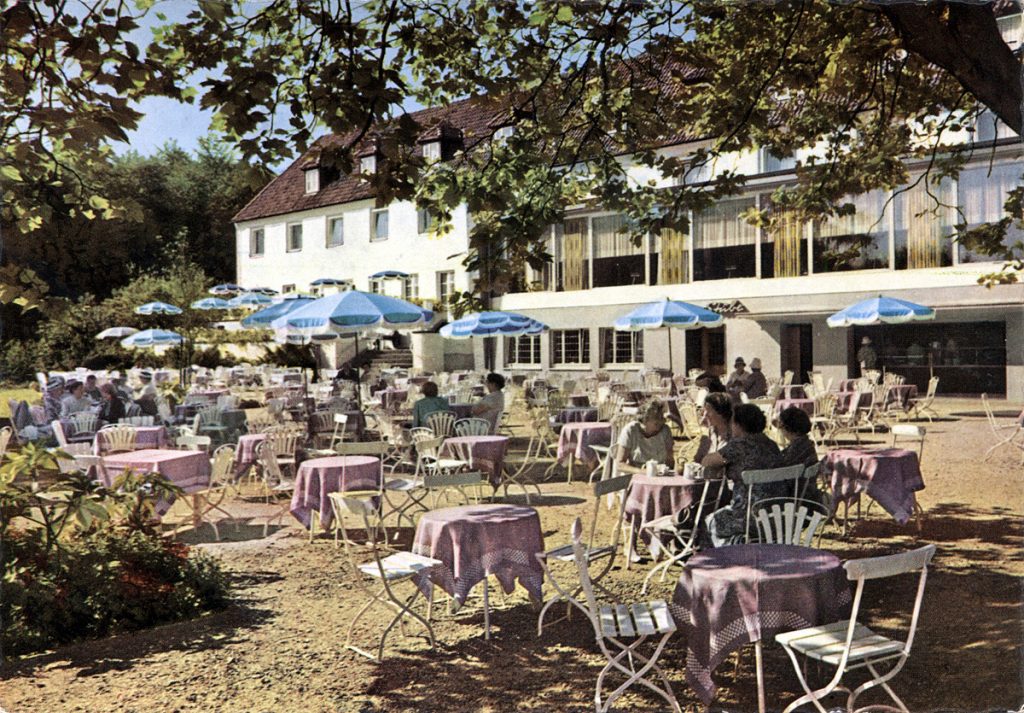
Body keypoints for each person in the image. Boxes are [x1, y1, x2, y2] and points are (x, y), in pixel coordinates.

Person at [701, 403, 782, 547]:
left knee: (709, 521)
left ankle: (731, 547)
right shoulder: (771, 445)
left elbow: (707, 461)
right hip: (777, 516)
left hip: (748, 518)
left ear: (738, 425)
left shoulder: (738, 446)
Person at [615, 400, 675, 474]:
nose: (661, 421)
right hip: (635, 475)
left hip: (659, 475)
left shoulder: (665, 431)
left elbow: (670, 461)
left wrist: (664, 470)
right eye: (656, 417)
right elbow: (620, 465)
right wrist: (644, 472)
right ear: (645, 419)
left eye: (661, 417)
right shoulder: (631, 430)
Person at [777, 405, 823, 503]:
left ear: (788, 428)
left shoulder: (796, 450)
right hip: (808, 496)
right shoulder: (807, 444)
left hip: (793, 500)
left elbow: (781, 471)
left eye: (780, 426)